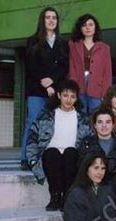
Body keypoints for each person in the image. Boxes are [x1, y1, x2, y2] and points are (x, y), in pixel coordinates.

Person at [27, 79, 91, 211]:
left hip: (72, 155)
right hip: (50, 155)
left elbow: (89, 141)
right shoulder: (47, 115)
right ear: (59, 95)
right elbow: (32, 137)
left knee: (70, 153)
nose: (68, 99)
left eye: (72, 96)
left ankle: (67, 196)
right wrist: (32, 160)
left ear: (76, 99)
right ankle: (55, 196)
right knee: (52, 153)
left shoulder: (83, 118)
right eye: (65, 95)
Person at [21, 6, 69, 170]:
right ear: (42, 20)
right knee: (33, 123)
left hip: (56, 90)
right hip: (36, 90)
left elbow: (64, 67)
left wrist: (53, 82)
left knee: (51, 126)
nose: (51, 20)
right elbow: (31, 65)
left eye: (54, 17)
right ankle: (26, 158)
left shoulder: (63, 43)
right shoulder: (32, 40)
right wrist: (45, 82)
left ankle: (47, 158)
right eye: (47, 17)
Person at [69, 14, 112, 115]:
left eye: (91, 24)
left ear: (95, 27)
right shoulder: (73, 45)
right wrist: (72, 88)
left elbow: (107, 73)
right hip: (78, 86)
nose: (88, 28)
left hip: (97, 88)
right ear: (80, 28)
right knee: (79, 116)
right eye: (84, 25)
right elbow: (72, 68)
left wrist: (105, 93)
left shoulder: (104, 48)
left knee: (96, 116)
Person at [78, 107, 116, 179]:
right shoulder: (86, 144)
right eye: (100, 122)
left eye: (108, 122)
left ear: (113, 125)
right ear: (95, 125)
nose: (104, 125)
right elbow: (81, 171)